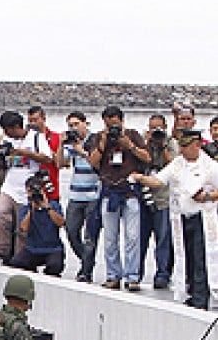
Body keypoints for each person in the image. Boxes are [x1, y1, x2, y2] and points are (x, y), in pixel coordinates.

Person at [132, 129, 218, 309]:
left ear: (196, 145)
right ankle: (191, 292)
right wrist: (141, 178)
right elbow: (158, 181)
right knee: (185, 256)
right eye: (181, 146)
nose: (183, 150)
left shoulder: (210, 166)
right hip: (182, 217)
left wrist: (208, 196)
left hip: (203, 217)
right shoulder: (177, 164)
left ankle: (201, 297)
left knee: (200, 257)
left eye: (186, 146)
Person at [86, 105, 149, 291]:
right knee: (110, 237)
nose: (112, 128)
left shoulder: (133, 135)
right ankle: (113, 275)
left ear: (122, 121)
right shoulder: (99, 137)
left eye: (115, 124)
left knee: (133, 237)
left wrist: (128, 144)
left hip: (129, 192)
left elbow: (147, 158)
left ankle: (132, 276)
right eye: (108, 124)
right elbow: (92, 162)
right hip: (109, 191)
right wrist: (104, 141)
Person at [0, 111, 54, 260]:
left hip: (28, 187)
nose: (6, 133)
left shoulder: (36, 138)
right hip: (9, 185)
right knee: (0, 215)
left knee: (22, 226)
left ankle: (20, 256)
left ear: (17, 127)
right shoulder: (6, 140)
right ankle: (1, 248)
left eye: (8, 130)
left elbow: (47, 159)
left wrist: (24, 153)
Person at [54, 111, 101, 282]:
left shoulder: (95, 140)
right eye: (70, 125)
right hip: (76, 194)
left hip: (93, 194)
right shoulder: (70, 143)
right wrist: (61, 144)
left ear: (85, 123)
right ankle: (87, 260)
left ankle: (86, 271)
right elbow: (60, 163)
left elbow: (96, 162)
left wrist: (81, 151)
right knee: (71, 231)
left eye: (76, 124)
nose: (74, 128)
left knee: (90, 236)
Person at [139, 115, 177, 289]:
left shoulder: (170, 143)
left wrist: (162, 146)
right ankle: (135, 273)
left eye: (159, 128)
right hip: (145, 196)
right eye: (152, 128)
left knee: (163, 239)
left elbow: (174, 166)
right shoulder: (143, 142)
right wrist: (147, 143)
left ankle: (162, 273)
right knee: (140, 238)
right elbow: (139, 161)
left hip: (163, 198)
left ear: (165, 127)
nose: (155, 132)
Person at [8, 175, 65, 276]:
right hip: (32, 248)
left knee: (55, 267)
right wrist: (32, 209)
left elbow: (61, 223)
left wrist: (47, 207)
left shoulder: (54, 205)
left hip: (53, 248)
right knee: (16, 263)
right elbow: (24, 228)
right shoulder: (25, 209)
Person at [26, 106, 62, 204]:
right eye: (30, 121)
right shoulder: (25, 139)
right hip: (30, 189)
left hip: (51, 188)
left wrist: (47, 153)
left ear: (44, 119)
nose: (32, 123)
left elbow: (63, 163)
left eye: (35, 120)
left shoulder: (56, 138)